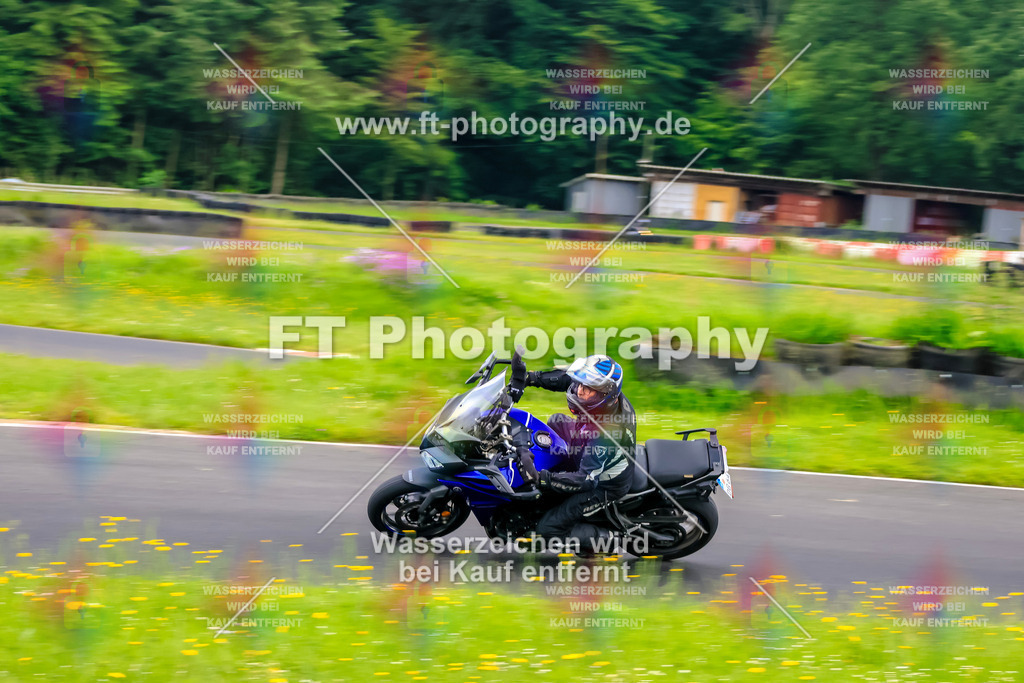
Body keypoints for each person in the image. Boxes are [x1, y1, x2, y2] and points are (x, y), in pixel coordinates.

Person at [522, 354, 636, 552]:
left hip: (604, 484)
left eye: (588, 389)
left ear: (603, 395)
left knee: (547, 530)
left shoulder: (608, 433)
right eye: (581, 384)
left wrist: (540, 478)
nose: (579, 390)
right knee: (556, 421)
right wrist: (531, 378)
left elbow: (586, 480)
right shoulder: (607, 396)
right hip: (587, 439)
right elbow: (568, 379)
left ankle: (610, 539)